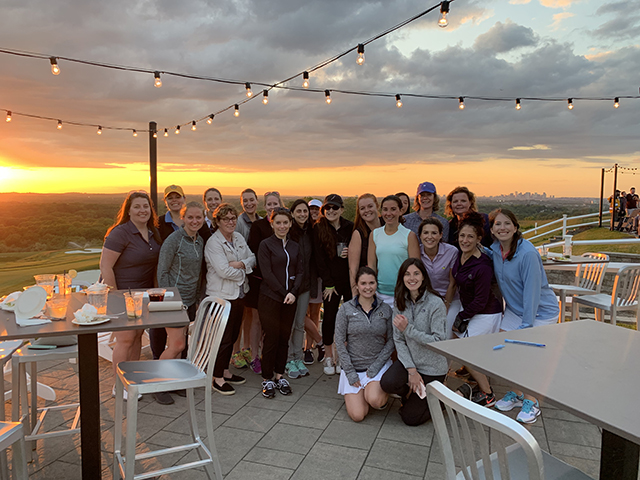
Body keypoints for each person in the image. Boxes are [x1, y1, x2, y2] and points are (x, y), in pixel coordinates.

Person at [488, 209, 559, 423]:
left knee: (527, 354)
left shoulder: (527, 253)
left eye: (507, 223)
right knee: (503, 350)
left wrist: (527, 325)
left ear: (516, 227)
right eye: (498, 224)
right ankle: (517, 394)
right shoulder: (494, 249)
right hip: (515, 310)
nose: (502, 228)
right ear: (491, 230)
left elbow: (532, 291)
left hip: (539, 312)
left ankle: (532, 402)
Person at [99, 191, 162, 400]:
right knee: (125, 339)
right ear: (128, 210)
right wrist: (115, 296)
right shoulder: (120, 233)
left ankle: (132, 380)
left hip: (143, 295)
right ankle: (119, 385)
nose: (142, 210)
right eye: (137, 206)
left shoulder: (152, 232)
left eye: (146, 206)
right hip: (121, 294)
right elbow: (105, 266)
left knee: (136, 337)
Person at [380, 258, 449, 426]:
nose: (412, 278)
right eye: (407, 274)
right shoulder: (400, 301)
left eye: (416, 273)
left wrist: (408, 329)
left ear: (424, 276)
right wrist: (411, 370)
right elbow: (398, 338)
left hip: (432, 367)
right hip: (410, 363)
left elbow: (438, 341)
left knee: (410, 418)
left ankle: (445, 399)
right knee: (388, 383)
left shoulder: (435, 303)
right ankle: (413, 393)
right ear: (402, 278)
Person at [154, 201, 206, 404]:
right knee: (177, 344)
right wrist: (171, 299)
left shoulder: (199, 240)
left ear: (203, 219)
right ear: (183, 218)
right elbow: (162, 271)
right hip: (174, 300)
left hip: (190, 300)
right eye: (190, 217)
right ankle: (156, 383)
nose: (194, 221)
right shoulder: (173, 240)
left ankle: (174, 381)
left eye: (198, 217)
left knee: (181, 346)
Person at [451, 213, 503, 407]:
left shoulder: (482, 265)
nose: (465, 240)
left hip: (487, 312)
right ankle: (477, 377)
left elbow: (481, 300)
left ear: (479, 239)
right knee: (460, 342)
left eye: (470, 237)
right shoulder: (459, 256)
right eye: (462, 236)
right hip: (471, 309)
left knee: (464, 350)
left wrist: (461, 316)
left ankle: (488, 393)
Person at [205, 203, 256, 396]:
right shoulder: (213, 243)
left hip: (239, 294)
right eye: (225, 219)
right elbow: (223, 271)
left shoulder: (239, 237)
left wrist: (241, 263)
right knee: (223, 338)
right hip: (222, 297)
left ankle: (225, 370)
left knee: (234, 335)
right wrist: (245, 270)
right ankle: (216, 378)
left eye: (233, 218)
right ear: (217, 221)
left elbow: (252, 257)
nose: (230, 222)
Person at [335, 267, 394, 422]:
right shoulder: (345, 309)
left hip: (377, 367)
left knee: (375, 400)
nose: (368, 287)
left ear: (376, 284)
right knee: (358, 416)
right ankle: (360, 395)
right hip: (354, 368)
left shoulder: (386, 309)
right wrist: (350, 372)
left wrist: (376, 366)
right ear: (357, 285)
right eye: (363, 283)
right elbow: (339, 342)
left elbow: (391, 340)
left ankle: (374, 393)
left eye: (371, 283)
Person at [257, 208, 303, 398]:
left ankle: (279, 375)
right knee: (272, 338)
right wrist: (285, 293)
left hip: (290, 299)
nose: (282, 226)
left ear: (291, 223)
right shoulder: (266, 245)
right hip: (270, 298)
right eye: (278, 222)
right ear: (272, 223)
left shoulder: (295, 246)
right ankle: (267, 378)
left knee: (284, 338)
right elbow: (267, 274)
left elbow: (301, 271)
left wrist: (293, 293)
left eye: (285, 222)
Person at [313, 194, 354, 375]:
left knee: (351, 318)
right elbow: (319, 259)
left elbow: (359, 252)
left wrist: (349, 253)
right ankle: (329, 355)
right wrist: (328, 284)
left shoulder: (350, 227)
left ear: (342, 210)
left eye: (335, 208)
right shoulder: (318, 228)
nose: (331, 211)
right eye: (327, 208)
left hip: (349, 280)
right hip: (330, 283)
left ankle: (344, 356)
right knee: (329, 318)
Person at [245, 191, 284, 374]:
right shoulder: (258, 226)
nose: (272, 207)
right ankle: (254, 356)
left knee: (273, 321)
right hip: (260, 280)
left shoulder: (283, 224)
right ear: (264, 206)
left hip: (280, 282)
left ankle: (270, 354)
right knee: (257, 320)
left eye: (275, 203)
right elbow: (254, 253)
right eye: (269, 204)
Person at [284, 199, 317, 379]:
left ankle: (298, 358)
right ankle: (288, 358)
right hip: (289, 286)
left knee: (299, 324)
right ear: (293, 213)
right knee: (288, 324)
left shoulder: (310, 232)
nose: (303, 214)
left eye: (305, 211)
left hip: (304, 286)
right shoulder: (288, 232)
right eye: (299, 211)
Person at [368, 195, 420, 306]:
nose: (388, 213)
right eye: (385, 209)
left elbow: (416, 268)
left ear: (401, 211)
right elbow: (372, 265)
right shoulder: (375, 234)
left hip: (403, 294)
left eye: (393, 209)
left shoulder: (409, 235)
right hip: (379, 294)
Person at [418, 218, 459, 337]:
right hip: (427, 299)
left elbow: (453, 283)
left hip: (450, 299)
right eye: (425, 233)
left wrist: (445, 305)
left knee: (446, 332)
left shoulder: (451, 252)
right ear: (420, 235)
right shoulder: (417, 251)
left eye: (434, 233)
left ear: (441, 235)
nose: (429, 237)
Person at [348, 194, 382, 296]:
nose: (367, 210)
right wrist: (355, 293)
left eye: (370, 206)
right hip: (367, 288)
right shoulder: (358, 234)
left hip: (388, 285)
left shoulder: (387, 226)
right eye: (362, 208)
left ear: (377, 206)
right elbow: (353, 269)